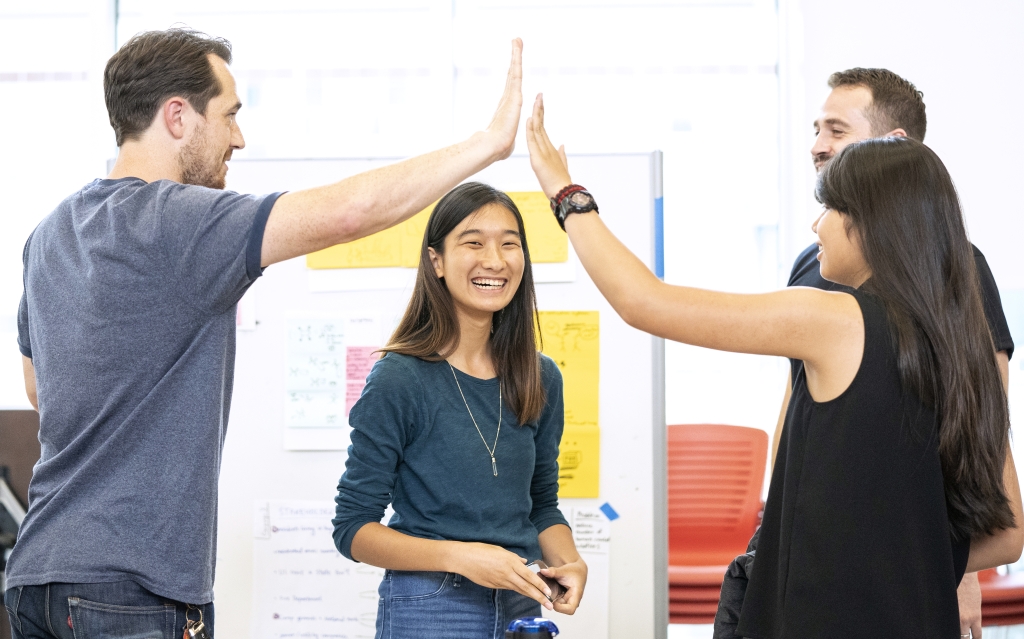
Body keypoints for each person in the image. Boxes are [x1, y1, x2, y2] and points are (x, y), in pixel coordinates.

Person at [5, 28, 524, 639]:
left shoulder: (51, 233)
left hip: (36, 579)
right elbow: (349, 213)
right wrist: (487, 145)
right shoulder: (178, 222)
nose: (239, 138)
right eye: (229, 116)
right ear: (178, 116)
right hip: (132, 589)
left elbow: (42, 392)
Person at [525, 94, 1024, 636]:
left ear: (871, 223)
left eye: (831, 210)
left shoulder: (834, 317)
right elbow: (1007, 533)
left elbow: (643, 302)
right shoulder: (963, 345)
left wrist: (567, 195)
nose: (817, 225)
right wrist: (911, 564)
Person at [783, 68, 1015, 638]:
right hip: (808, 561)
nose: (817, 145)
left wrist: (958, 575)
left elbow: (976, 426)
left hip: (898, 580)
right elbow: (793, 411)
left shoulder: (956, 266)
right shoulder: (812, 265)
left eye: (836, 129)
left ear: (898, 147)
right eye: (816, 128)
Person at [331, 182, 587, 639]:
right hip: (429, 604)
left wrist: (569, 562)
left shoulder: (540, 377)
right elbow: (353, 530)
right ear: (437, 262)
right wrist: (461, 556)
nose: (495, 259)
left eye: (510, 243)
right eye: (474, 242)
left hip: (521, 600)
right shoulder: (400, 378)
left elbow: (542, 505)